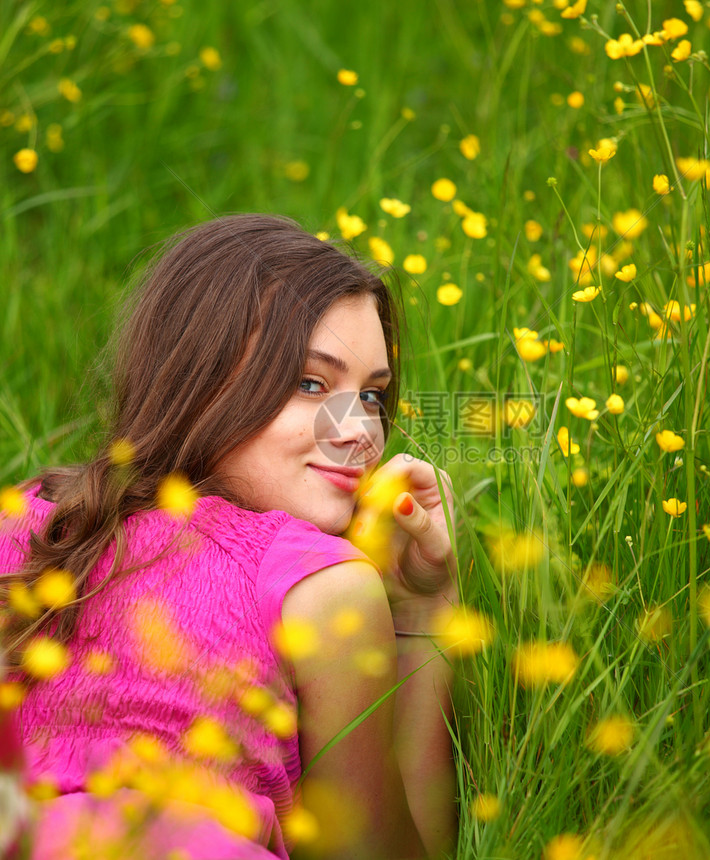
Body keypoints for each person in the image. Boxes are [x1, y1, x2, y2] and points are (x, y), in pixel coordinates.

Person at [0, 214, 459, 859]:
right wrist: (424, 613)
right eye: (311, 384)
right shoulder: (325, 584)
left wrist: (415, 601)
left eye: (374, 398)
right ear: (201, 376)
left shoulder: (25, 519)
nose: (359, 431)